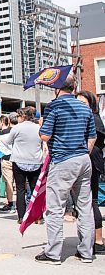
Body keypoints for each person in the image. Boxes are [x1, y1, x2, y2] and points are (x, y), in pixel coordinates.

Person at [35, 76, 96, 265]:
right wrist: (82, 154)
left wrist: (40, 127)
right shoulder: (85, 108)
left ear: (56, 88)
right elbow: (91, 137)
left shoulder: (55, 107)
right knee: (85, 207)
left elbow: (45, 136)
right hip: (83, 159)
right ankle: (86, 251)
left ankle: (53, 253)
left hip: (62, 160)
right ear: (74, 87)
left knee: (55, 208)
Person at [0, 107, 43, 223]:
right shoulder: (38, 127)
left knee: (20, 189)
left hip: (19, 160)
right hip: (35, 160)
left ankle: (21, 217)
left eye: (19, 116)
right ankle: (38, 216)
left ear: (23, 116)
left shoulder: (17, 128)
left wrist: (0, 139)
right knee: (35, 189)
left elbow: (7, 141)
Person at [76, 91, 105, 254]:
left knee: (90, 201)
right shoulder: (87, 118)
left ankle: (98, 240)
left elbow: (95, 141)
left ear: (91, 105)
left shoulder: (93, 119)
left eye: (83, 103)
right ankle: (91, 240)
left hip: (92, 162)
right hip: (87, 161)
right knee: (85, 202)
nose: (80, 106)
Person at [0, 115, 16, 214]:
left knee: (8, 182)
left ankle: (10, 203)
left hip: (6, 159)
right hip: (17, 159)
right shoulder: (16, 130)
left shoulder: (1, 133)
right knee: (19, 183)